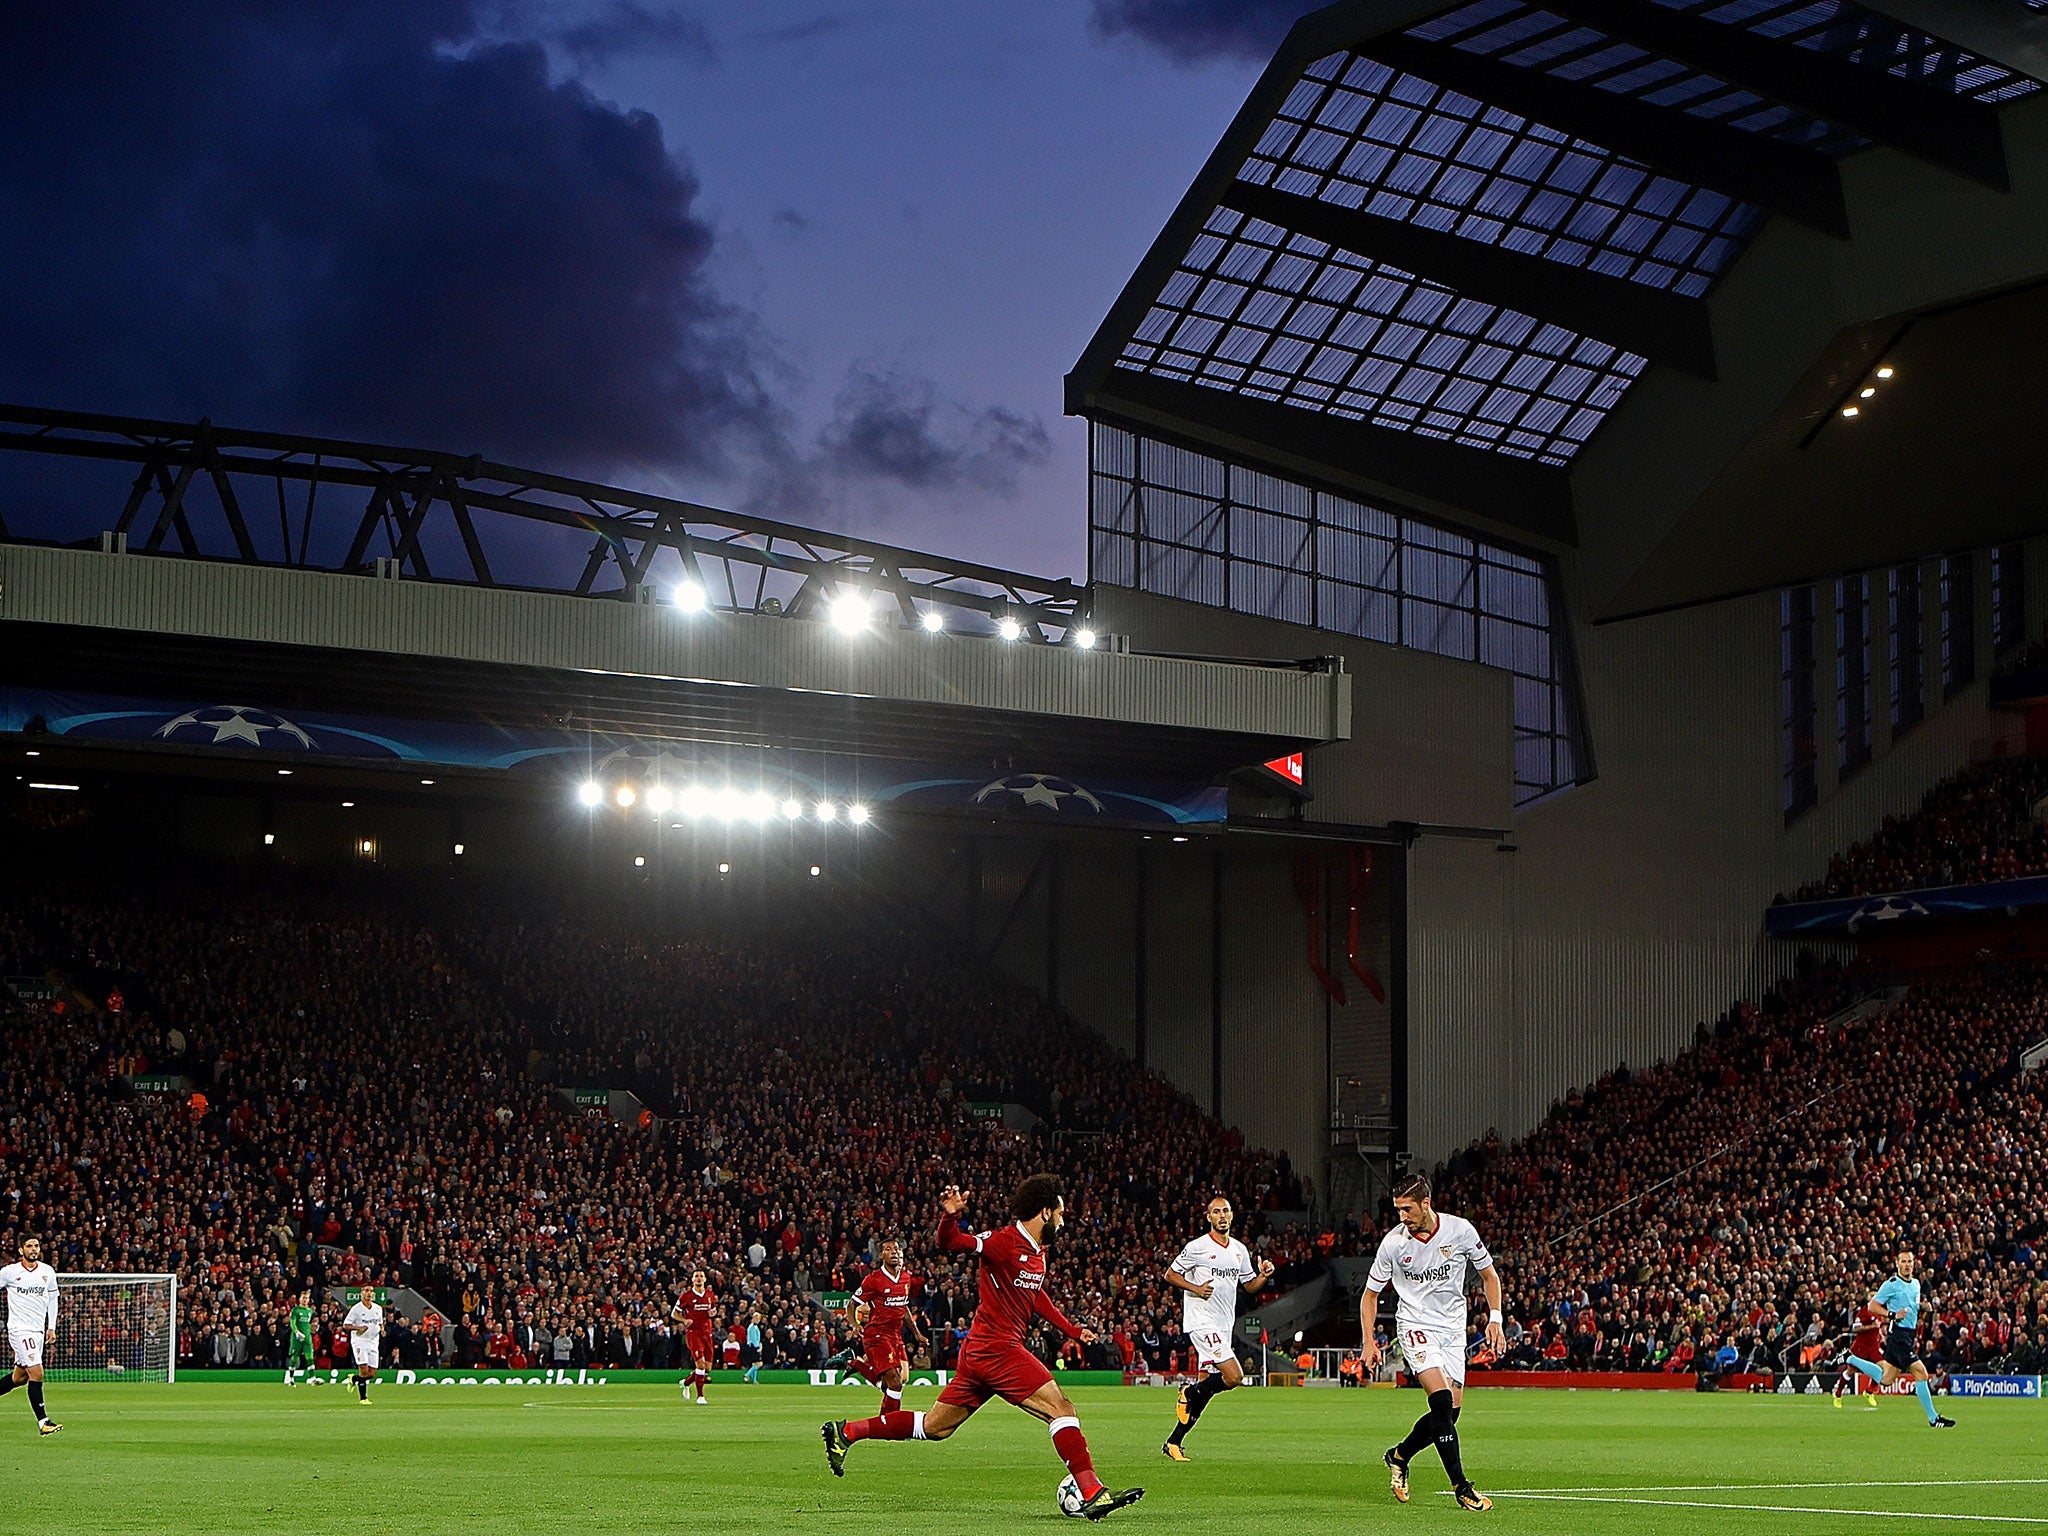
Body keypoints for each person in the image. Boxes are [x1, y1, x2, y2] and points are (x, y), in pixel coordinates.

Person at [821, 1177, 1143, 1521]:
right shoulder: (1002, 1242)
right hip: (996, 1348)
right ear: (1045, 1212)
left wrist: (1072, 1330)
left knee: (935, 1427)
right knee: (1061, 1408)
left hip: (982, 1353)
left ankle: (847, 1432)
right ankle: (1092, 1490)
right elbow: (950, 1241)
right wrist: (950, 1217)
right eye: (1060, 1214)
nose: (1063, 1222)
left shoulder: (1039, 1253)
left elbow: (1035, 1295)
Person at [1359, 1173, 1503, 1512]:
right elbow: (1370, 1295)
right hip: (1415, 1325)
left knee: (1450, 1414)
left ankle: (1399, 1455)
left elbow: (1489, 1275)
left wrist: (1495, 1318)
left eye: (1408, 1209)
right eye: (1398, 1211)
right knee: (1440, 1402)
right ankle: (1462, 1487)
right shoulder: (1394, 1243)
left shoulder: (1461, 1231)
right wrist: (1368, 1340)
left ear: (1426, 1203)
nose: (1402, 1218)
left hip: (1453, 1330)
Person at [1161, 1194, 1273, 1461]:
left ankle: (1174, 1441)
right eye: (1216, 1212)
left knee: (1206, 1390)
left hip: (1223, 1326)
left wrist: (1264, 1276)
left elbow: (1249, 1287)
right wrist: (1196, 1288)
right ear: (1208, 1217)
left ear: (1231, 1215)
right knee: (1234, 1376)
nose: (1222, 1216)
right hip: (1202, 1322)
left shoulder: (1238, 1250)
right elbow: (1170, 1274)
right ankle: (1187, 1392)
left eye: (1226, 1211)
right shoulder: (1197, 1247)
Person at [1840, 1251, 1955, 1428]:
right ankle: (1933, 1418)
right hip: (1898, 1336)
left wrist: (1924, 1307)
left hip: (1908, 1335)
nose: (1907, 1264)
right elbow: (1872, 1306)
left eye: (1910, 1261)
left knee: (1886, 1380)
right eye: (1903, 1261)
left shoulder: (1916, 1284)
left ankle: (1850, 1358)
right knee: (1921, 1373)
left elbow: (1913, 1305)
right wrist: (1892, 1314)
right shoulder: (1891, 1284)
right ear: (1897, 1264)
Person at [831, 1238, 929, 1417]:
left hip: (895, 1335)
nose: (894, 1252)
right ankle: (890, 1424)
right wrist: (854, 1325)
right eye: (889, 1249)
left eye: (897, 1249)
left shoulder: (906, 1278)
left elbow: (904, 1308)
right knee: (894, 1383)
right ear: (882, 1255)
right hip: (877, 1335)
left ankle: (857, 1363)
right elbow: (852, 1305)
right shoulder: (874, 1279)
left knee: (901, 1380)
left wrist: (917, 1334)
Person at [0, 1237, 62, 1434]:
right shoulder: (10, 1272)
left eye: (36, 1246)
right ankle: (43, 1422)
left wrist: (51, 1327)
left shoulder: (47, 1271)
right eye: (29, 1246)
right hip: (20, 1330)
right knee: (37, 1372)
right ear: (21, 1250)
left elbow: (53, 1299)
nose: (33, 1249)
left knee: (19, 1378)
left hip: (38, 1331)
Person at [670, 1268, 717, 1405]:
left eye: (701, 1276)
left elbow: (712, 1310)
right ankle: (700, 1396)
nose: (698, 1278)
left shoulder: (710, 1295)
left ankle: (686, 1382)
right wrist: (684, 1321)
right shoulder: (686, 1296)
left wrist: (712, 1313)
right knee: (700, 1365)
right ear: (692, 1279)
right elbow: (674, 1313)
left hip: (707, 1333)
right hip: (693, 1333)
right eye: (696, 1276)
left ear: (704, 1279)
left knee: (707, 1368)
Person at [1832, 1297, 1884, 1410]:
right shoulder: (1863, 1311)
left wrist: (1880, 1335)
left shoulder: (1878, 1310)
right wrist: (1871, 1326)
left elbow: (1878, 1326)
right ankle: (1838, 1394)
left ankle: (1869, 1391)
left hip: (1874, 1346)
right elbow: (1856, 1328)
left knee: (1882, 1369)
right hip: (1861, 1346)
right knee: (1851, 1371)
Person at [342, 1287, 382, 1404]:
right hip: (360, 1341)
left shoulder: (378, 1308)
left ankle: (353, 1379)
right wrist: (358, 1328)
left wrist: (382, 1329)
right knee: (364, 1371)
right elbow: (346, 1325)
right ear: (362, 1293)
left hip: (373, 1341)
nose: (369, 1293)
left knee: (372, 1373)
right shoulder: (356, 1309)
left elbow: (379, 1322)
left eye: (371, 1291)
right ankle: (363, 1398)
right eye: (366, 1291)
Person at [285, 1287, 316, 1385]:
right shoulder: (295, 1310)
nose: (305, 1299)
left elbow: (309, 1324)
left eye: (306, 1298)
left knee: (310, 1357)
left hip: (307, 1338)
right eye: (303, 1298)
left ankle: (312, 1377)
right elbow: (292, 1323)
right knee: (295, 1358)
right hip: (296, 1338)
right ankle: (290, 1378)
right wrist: (297, 1332)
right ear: (300, 1299)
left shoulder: (310, 1311)